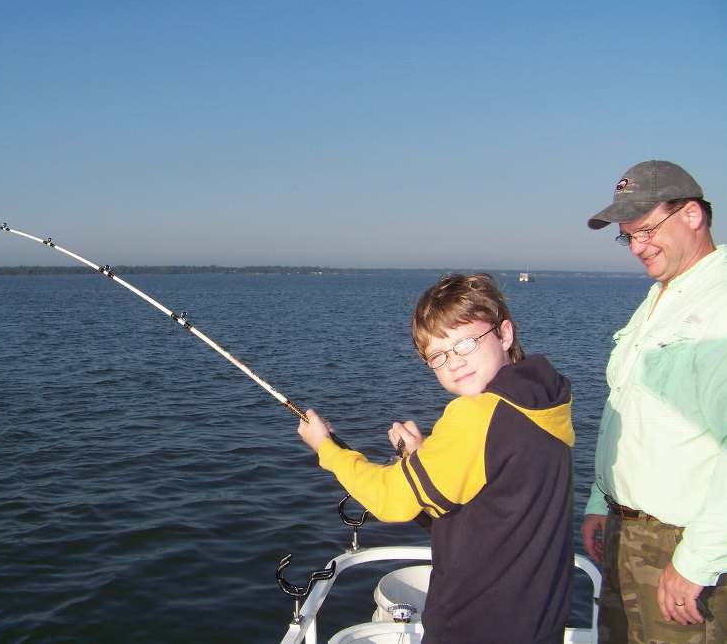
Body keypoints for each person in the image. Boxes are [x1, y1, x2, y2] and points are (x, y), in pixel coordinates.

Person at [298, 273, 575, 644]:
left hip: (475, 626)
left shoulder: (477, 415)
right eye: (438, 356)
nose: (454, 363)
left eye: (466, 343)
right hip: (538, 622)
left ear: (505, 333)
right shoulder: (544, 397)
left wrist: (327, 449)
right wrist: (422, 457)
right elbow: (494, 499)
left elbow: (391, 500)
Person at [581, 159, 727, 643]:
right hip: (626, 536)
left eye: (645, 230)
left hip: (685, 545)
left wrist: (696, 561)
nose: (637, 247)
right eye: (628, 237)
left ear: (692, 215)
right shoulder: (663, 296)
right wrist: (602, 501)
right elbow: (628, 409)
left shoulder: (719, 304)